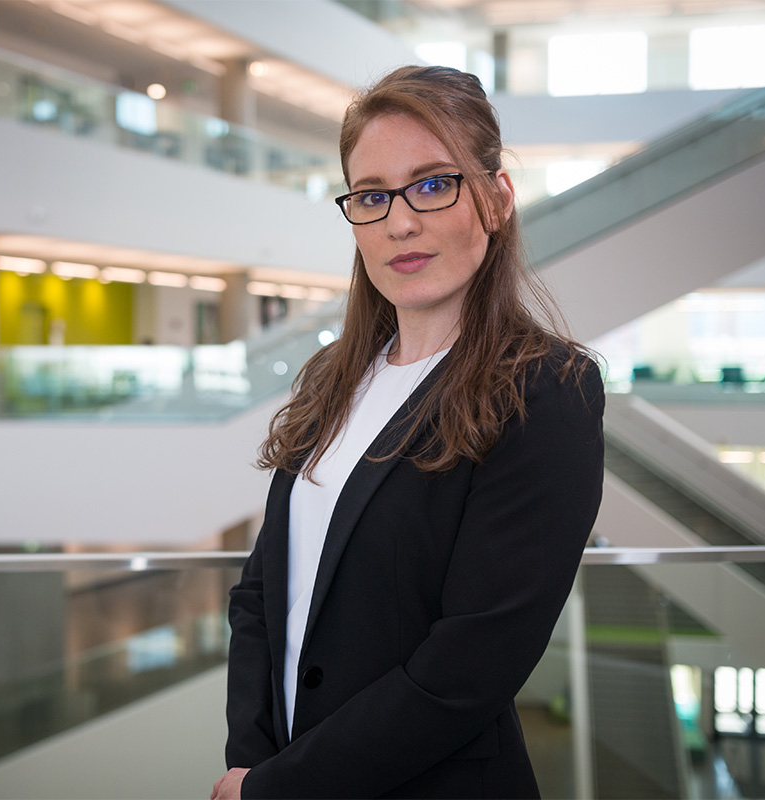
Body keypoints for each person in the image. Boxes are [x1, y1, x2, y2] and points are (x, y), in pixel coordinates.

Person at [211, 65, 605, 800]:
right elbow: (262, 596)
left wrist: (278, 789)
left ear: (496, 199)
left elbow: (466, 672)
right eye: (372, 195)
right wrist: (251, 761)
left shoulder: (548, 391)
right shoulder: (335, 374)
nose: (399, 221)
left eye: (432, 184)